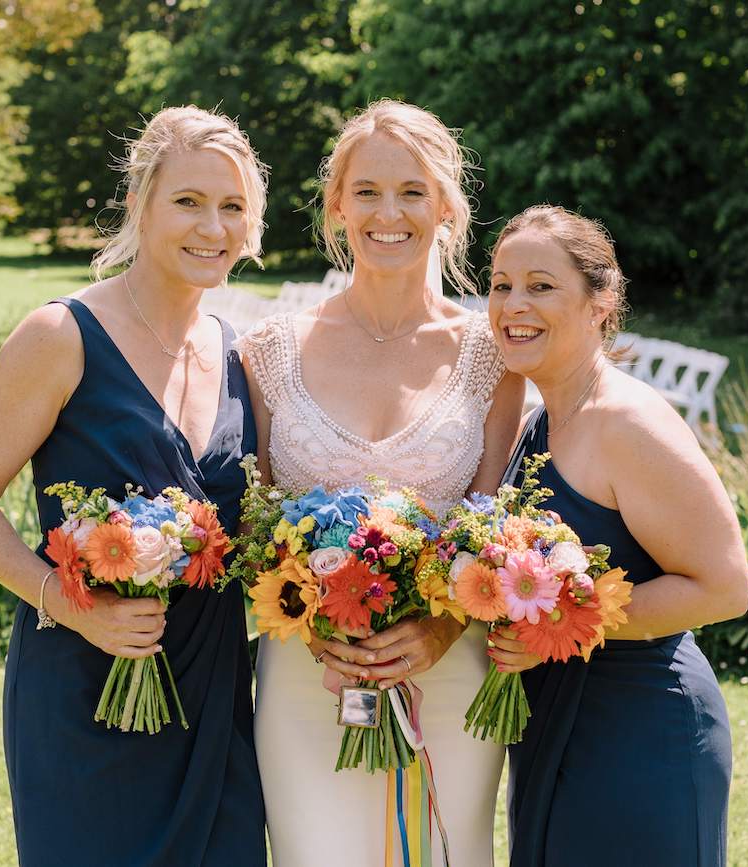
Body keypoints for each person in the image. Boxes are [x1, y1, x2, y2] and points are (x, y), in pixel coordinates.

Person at [0, 106, 269, 867]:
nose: (211, 227)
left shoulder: (238, 355)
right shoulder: (59, 337)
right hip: (84, 685)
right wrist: (71, 608)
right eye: (189, 201)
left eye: (232, 207)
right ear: (140, 204)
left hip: (212, 692)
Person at [240, 99, 526, 867]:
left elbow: (493, 530)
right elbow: (254, 526)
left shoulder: (491, 357)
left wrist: (437, 629)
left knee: (446, 851)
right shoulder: (270, 352)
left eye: (411, 191)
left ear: (445, 206)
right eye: (366, 190)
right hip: (307, 677)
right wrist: (316, 626)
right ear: (336, 204)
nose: (388, 213)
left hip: (450, 668)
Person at [485, 204, 748, 866]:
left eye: (541, 285)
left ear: (601, 302)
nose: (514, 303)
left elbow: (723, 586)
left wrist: (561, 620)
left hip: (641, 730)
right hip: (558, 725)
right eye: (500, 284)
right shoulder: (543, 421)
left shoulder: (627, 423)